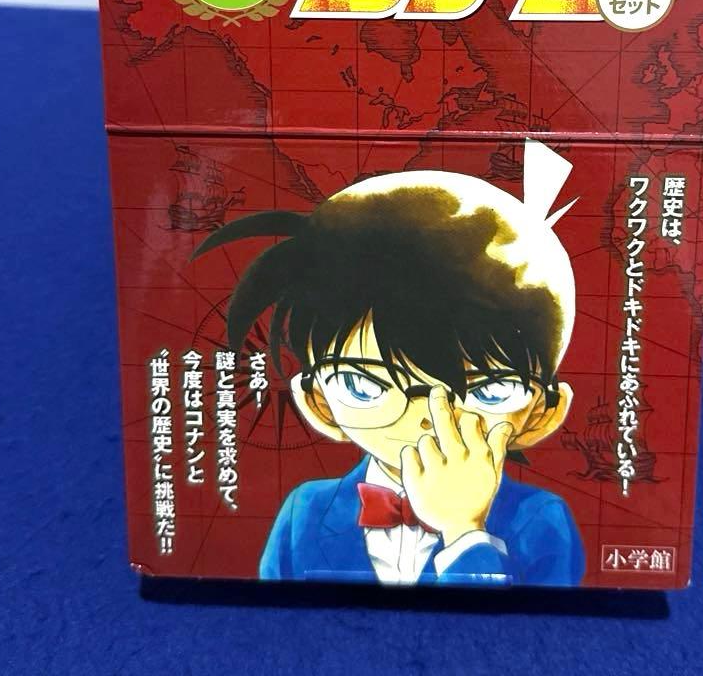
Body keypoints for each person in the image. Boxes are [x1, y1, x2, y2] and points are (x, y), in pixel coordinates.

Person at [193, 139, 585, 586]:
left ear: (542, 413)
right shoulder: (306, 512)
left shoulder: (540, 521)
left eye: (487, 389)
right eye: (365, 384)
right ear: (318, 402)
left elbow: (519, 622)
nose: (429, 416)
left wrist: (464, 530)